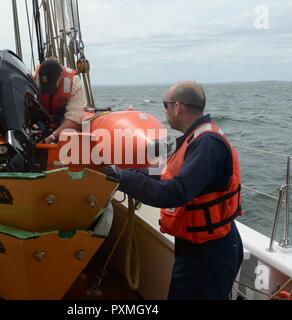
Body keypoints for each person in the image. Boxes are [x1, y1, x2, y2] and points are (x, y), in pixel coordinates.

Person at [103, 81, 244, 300]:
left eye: (166, 105)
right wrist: (123, 173)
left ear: (178, 107)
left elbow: (176, 192)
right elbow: (166, 173)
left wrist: (124, 178)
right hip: (197, 245)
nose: (165, 111)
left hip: (209, 252)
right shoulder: (196, 138)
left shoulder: (207, 144)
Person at [34, 58, 87, 144]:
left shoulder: (74, 83)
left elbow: (73, 119)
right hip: (41, 115)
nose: (48, 90)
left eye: (50, 86)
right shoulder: (33, 78)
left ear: (61, 77)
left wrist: (51, 137)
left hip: (62, 116)